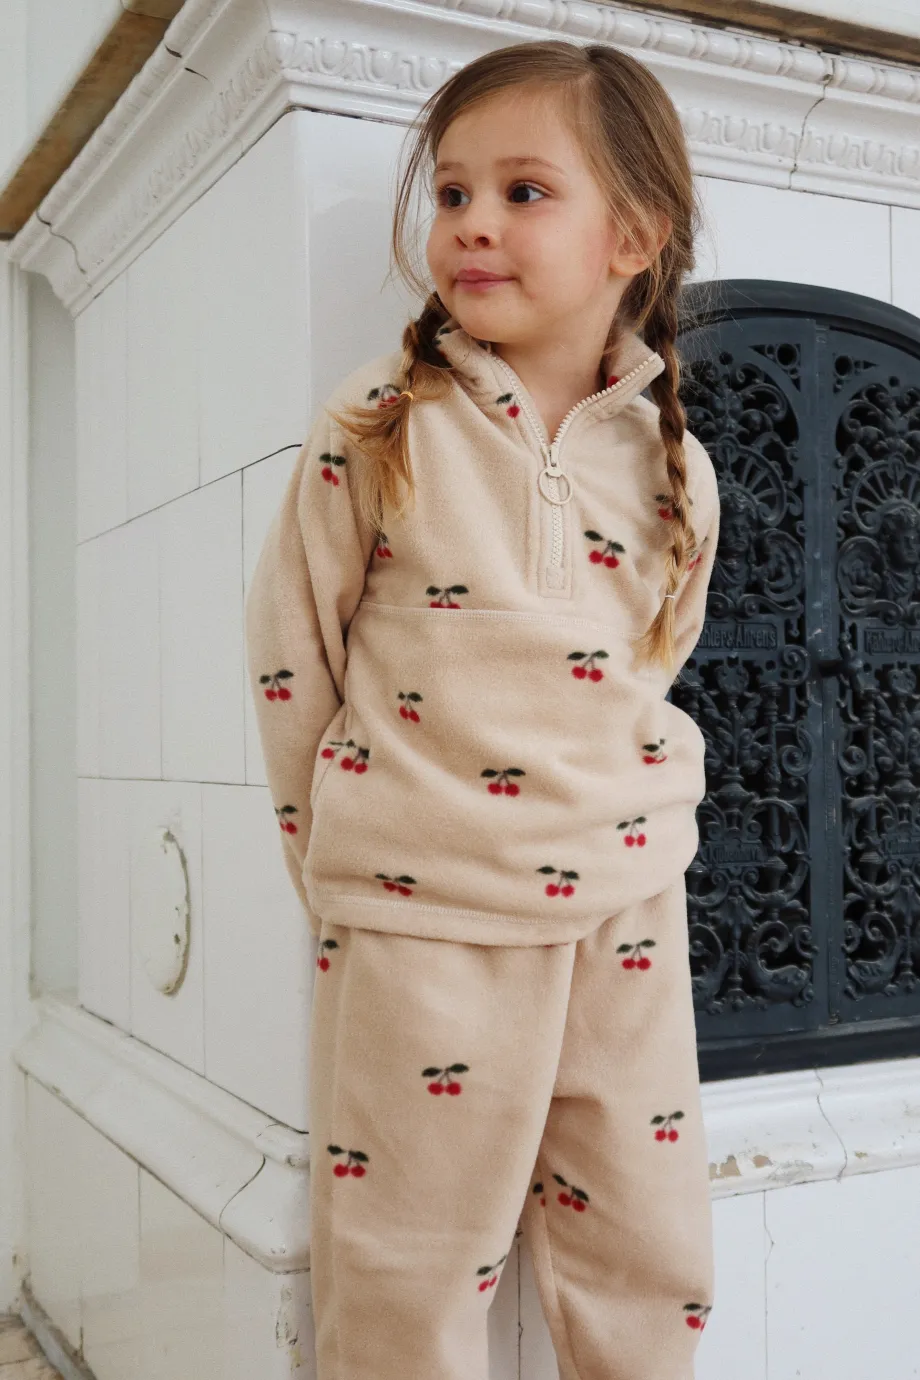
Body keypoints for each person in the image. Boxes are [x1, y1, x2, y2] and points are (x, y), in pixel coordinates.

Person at [245, 37, 722, 1380]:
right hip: (425, 910)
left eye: (523, 192)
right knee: (402, 1262)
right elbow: (291, 660)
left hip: (627, 905)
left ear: (633, 236)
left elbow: (658, 658)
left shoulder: (677, 465)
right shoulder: (380, 423)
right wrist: (343, 869)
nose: (471, 224)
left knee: (648, 1249)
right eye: (452, 193)